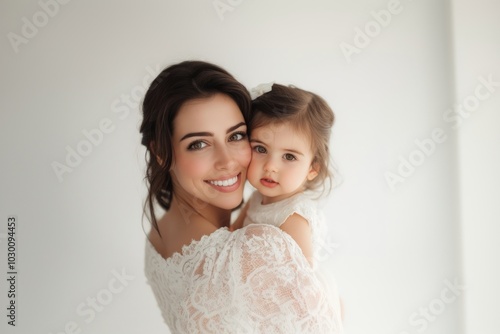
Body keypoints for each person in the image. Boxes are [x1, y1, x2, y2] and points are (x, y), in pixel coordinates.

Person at [141, 60, 343, 333]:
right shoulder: (256, 249)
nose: (227, 162)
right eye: (199, 144)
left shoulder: (158, 235)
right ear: (162, 152)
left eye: (236, 136)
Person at [231, 83, 335, 270]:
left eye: (289, 156)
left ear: (312, 168)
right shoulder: (256, 199)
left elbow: (301, 281)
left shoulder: (293, 217)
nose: (271, 166)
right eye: (261, 149)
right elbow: (231, 236)